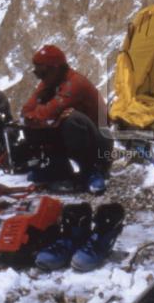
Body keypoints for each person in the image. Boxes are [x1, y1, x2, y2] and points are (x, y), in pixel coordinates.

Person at [21, 45, 112, 193]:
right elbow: (26, 112)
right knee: (37, 126)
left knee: (72, 120)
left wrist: (45, 118)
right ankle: (59, 169)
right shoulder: (50, 82)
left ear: (54, 69)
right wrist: (46, 119)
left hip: (99, 142)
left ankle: (92, 170)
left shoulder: (74, 84)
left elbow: (46, 113)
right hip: (76, 137)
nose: (40, 78)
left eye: (41, 72)